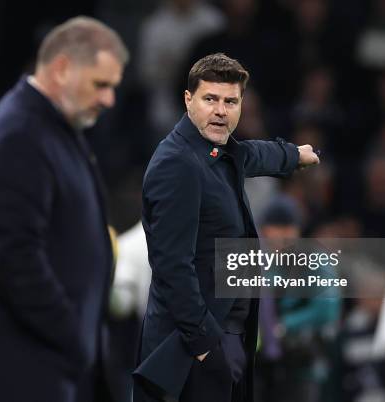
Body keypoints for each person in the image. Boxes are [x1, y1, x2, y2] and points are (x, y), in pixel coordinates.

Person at [133, 53, 319, 402]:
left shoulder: (216, 152)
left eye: (230, 101)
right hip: (194, 349)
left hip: (224, 339)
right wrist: (206, 345)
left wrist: (293, 155)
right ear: (188, 100)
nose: (221, 110)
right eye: (210, 99)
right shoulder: (176, 164)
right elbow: (172, 265)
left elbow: (251, 154)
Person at [0, 16, 128, 402]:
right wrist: (74, 338)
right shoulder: (19, 135)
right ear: (62, 68)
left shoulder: (54, 128)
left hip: (52, 369)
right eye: (100, 84)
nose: (109, 100)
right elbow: (17, 261)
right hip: (23, 373)